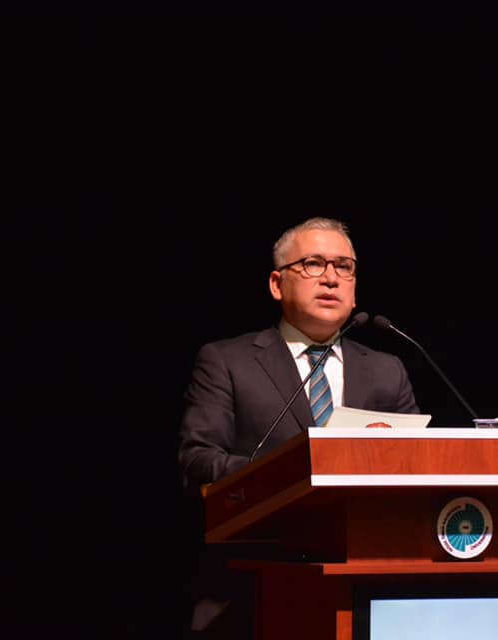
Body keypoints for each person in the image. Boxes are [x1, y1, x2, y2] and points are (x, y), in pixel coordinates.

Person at [178, 217, 420, 636]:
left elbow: (417, 467)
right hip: (255, 587)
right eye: (312, 264)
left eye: (344, 266)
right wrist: (295, 471)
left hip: (367, 588)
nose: (331, 278)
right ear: (277, 284)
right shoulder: (227, 361)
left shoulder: (387, 370)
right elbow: (197, 463)